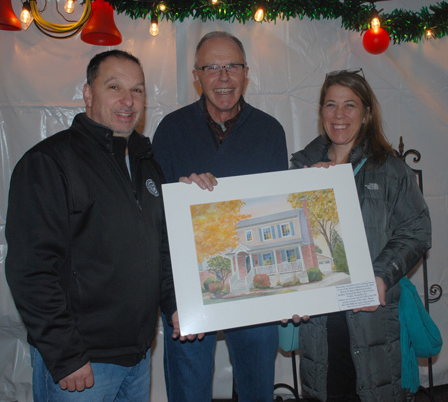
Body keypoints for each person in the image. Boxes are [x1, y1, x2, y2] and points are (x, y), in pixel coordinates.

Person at [5, 50, 181, 401]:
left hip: (137, 358)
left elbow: (160, 249)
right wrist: (66, 355)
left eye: (138, 90)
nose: (128, 100)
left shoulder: (146, 164)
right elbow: (32, 270)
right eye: (114, 87)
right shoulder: (49, 162)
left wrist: (175, 303)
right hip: (82, 364)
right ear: (88, 94)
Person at [152, 31, 288, 401]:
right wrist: (171, 299)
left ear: (246, 73)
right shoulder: (171, 130)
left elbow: (277, 210)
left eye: (232, 66)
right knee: (189, 390)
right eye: (212, 67)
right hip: (188, 292)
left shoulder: (270, 132)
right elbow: (156, 223)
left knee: (257, 389)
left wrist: (287, 294)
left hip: (256, 289)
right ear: (196, 76)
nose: (223, 77)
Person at [289, 69, 432, 402]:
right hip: (319, 326)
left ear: (366, 113)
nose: (339, 115)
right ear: (321, 112)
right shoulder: (300, 170)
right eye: (331, 105)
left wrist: (380, 277)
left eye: (350, 105)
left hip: (373, 320)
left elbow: (417, 231)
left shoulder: (390, 170)